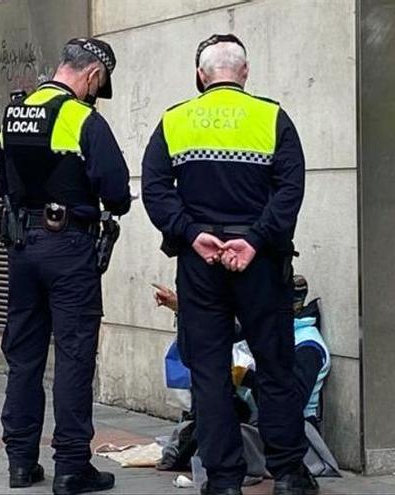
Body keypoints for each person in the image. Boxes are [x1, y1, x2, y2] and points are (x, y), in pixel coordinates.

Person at [141, 33, 313, 495]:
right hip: (260, 262)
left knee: (210, 371)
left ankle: (223, 481)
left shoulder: (175, 120)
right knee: (275, 366)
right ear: (245, 72)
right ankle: (290, 475)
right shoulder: (272, 117)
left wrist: (191, 233)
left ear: (201, 75)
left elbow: (154, 188)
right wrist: (255, 240)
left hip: (201, 264)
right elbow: (290, 189)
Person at [0, 38, 132, 495]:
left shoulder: (13, 114)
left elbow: (3, 179)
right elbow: (116, 192)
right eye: (99, 84)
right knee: (73, 355)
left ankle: (20, 462)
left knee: (24, 356)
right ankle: (72, 466)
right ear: (93, 75)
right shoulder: (81, 119)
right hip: (69, 246)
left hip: (22, 246)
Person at [154, 276, 339, 478]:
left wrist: (246, 377)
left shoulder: (307, 346)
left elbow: (291, 403)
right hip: (261, 422)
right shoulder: (273, 331)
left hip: (296, 433)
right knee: (212, 421)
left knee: (224, 437)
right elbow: (215, 334)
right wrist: (182, 309)